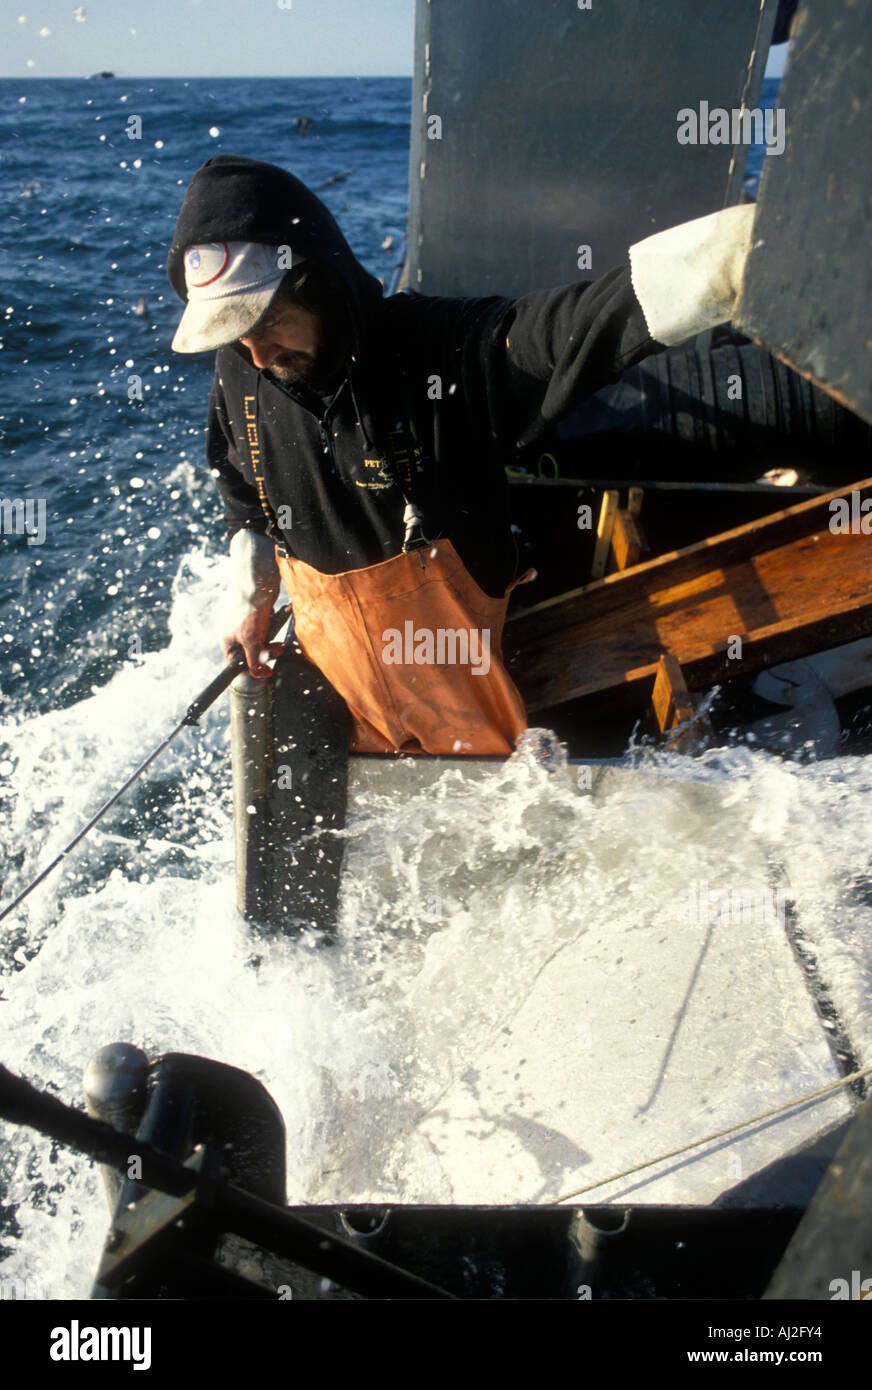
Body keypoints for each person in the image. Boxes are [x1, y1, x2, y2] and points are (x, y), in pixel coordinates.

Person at [167, 154, 754, 758]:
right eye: (235, 334)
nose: (256, 355)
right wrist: (252, 574)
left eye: (270, 324)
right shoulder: (239, 364)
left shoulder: (440, 354)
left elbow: (571, 328)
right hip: (351, 718)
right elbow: (236, 475)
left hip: (482, 719)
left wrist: (733, 257)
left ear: (318, 282)